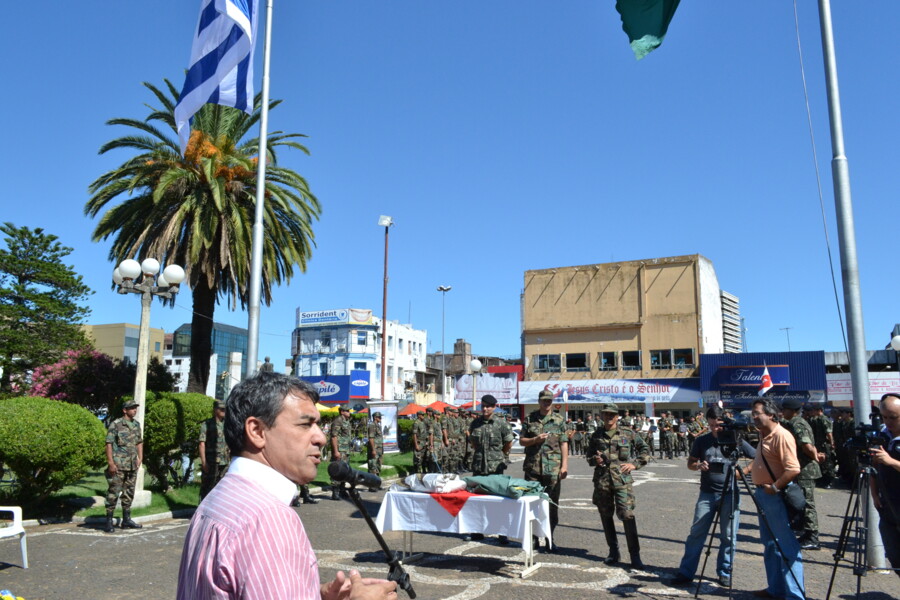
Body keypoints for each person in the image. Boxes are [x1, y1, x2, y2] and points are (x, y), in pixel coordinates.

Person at [176, 372, 397, 600]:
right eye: (305, 424)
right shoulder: (268, 518)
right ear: (257, 431)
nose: (320, 437)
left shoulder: (219, 498)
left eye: (318, 425)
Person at [740, 398, 804, 600]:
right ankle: (775, 589)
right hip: (763, 495)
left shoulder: (781, 436)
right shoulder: (763, 435)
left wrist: (775, 487)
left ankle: (795, 595)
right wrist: (749, 470)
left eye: (757, 413)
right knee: (769, 544)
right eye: (753, 413)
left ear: (771, 414)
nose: (754, 417)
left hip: (775, 496)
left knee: (786, 545)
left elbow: (793, 469)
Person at [670, 406, 741, 588]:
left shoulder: (734, 438)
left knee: (728, 536)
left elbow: (755, 456)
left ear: (723, 422)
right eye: (710, 425)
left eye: (717, 425)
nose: (714, 429)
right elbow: (690, 463)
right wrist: (698, 466)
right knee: (696, 533)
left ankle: (725, 572)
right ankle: (686, 572)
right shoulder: (702, 441)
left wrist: (744, 472)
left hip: (729, 494)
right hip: (707, 493)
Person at [587, 402, 650, 569]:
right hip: (602, 481)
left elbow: (644, 449)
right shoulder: (596, 435)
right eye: (605, 414)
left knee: (627, 515)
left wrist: (635, 464)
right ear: (601, 416)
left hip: (622, 481)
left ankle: (635, 555)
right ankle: (613, 552)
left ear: (617, 417)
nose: (608, 417)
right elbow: (588, 457)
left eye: (611, 415)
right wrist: (595, 460)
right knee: (606, 515)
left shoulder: (627, 433)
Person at [520, 389, 569, 552]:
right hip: (533, 469)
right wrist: (535, 439)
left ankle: (549, 537)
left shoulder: (559, 420)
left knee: (552, 505)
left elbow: (563, 443)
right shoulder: (530, 419)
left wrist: (564, 466)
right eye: (544, 400)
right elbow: (522, 441)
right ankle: (533, 537)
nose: (546, 403)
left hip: (553, 469)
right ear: (539, 401)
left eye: (549, 401)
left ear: (552, 402)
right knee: (531, 503)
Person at [467, 394, 514, 543]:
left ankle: (501, 532)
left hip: (496, 467)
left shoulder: (501, 424)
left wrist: (499, 455)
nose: (485, 409)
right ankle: (477, 531)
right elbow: (474, 444)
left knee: (498, 500)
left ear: (494, 407)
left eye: (488, 406)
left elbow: (508, 444)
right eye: (483, 406)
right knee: (478, 499)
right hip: (479, 466)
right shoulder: (475, 424)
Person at [781, 398, 823, 550]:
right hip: (801, 468)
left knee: (807, 503)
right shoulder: (792, 422)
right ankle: (805, 531)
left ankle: (813, 536)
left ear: (792, 411)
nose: (782, 412)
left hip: (806, 469)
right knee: (799, 502)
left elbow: (806, 445)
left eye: (784, 410)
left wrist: (815, 456)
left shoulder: (797, 423)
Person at [871, 393, 900, 577]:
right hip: (888, 504)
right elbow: (874, 467)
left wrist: (891, 462)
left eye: (893, 417)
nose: (888, 421)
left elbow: (886, 463)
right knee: (894, 555)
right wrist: (874, 494)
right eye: (884, 417)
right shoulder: (881, 435)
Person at [104, 400, 144, 533]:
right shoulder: (116, 424)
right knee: (113, 493)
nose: (134, 410)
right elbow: (109, 443)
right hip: (119, 465)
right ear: (124, 410)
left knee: (129, 493)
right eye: (131, 408)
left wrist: (140, 457)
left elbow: (139, 442)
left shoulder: (136, 425)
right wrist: (111, 462)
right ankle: (108, 521)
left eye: (135, 408)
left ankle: (126, 520)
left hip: (132, 464)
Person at [198, 399, 230, 499]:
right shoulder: (207, 424)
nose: (224, 411)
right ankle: (203, 509)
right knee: (208, 487)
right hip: (211, 462)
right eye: (221, 409)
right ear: (215, 410)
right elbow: (201, 444)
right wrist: (204, 462)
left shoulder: (227, 424)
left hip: (225, 461)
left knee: (222, 487)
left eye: (225, 409)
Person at [329, 406, 354, 500]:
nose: (349, 412)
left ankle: (342, 490)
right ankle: (335, 492)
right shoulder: (338, 420)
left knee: (345, 470)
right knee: (337, 470)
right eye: (347, 411)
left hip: (346, 450)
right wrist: (336, 451)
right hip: (340, 450)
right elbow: (333, 437)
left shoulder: (346, 420)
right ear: (342, 412)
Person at [366, 412, 384, 491]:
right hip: (374, 450)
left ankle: (377, 484)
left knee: (378, 467)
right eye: (379, 417)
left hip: (379, 450)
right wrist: (373, 450)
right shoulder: (372, 426)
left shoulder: (378, 426)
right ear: (375, 417)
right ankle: (371, 486)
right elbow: (371, 439)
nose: (380, 418)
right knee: (372, 467)